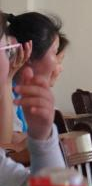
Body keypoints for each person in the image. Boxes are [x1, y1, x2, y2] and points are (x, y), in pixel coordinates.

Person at [5, 12, 65, 142]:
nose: (58, 64)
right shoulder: (6, 91)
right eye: (55, 53)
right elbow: (9, 143)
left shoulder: (23, 92)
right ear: (29, 52)